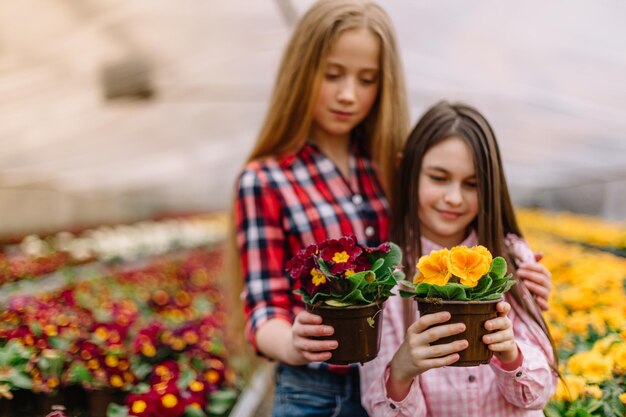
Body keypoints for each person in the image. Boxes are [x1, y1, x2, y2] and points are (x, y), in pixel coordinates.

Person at [233, 1, 409, 416]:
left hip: (399, 384)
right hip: (316, 391)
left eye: (367, 79)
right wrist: (293, 343)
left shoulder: (394, 168)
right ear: (301, 71)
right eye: (332, 75)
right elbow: (264, 307)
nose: (348, 94)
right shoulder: (265, 180)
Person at [360, 101, 558, 416]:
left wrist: (511, 355)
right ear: (408, 171)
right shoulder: (386, 277)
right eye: (439, 178)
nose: (454, 198)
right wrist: (402, 370)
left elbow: (538, 393)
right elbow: (382, 409)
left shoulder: (514, 259)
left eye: (472, 184)